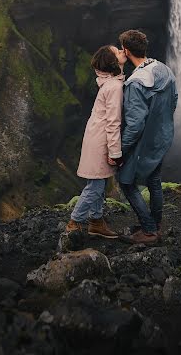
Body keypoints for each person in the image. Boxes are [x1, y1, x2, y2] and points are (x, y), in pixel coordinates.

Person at [118, 29, 178, 245]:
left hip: (145, 143)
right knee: (153, 179)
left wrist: (120, 151)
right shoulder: (163, 69)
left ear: (125, 51)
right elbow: (174, 99)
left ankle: (149, 230)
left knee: (126, 182)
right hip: (162, 136)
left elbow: (134, 126)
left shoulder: (135, 83)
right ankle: (157, 222)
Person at [66, 44, 127, 238]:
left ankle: (96, 222)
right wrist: (115, 153)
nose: (122, 51)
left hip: (95, 137)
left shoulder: (109, 83)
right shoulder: (115, 87)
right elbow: (113, 122)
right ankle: (74, 222)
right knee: (95, 186)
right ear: (113, 62)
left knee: (99, 183)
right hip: (101, 140)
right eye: (118, 51)